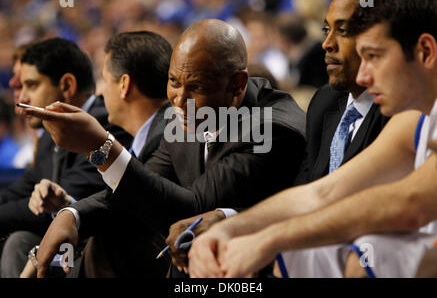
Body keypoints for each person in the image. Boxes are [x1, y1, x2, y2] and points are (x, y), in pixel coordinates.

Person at [188, 0, 437, 278]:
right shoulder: (412, 117)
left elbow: (410, 205)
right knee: (297, 255)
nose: (365, 74)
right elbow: (323, 193)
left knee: (369, 255)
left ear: (425, 51)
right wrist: (230, 228)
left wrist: (269, 238)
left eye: (374, 56)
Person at [23, 19, 306, 278]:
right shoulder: (185, 116)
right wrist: (74, 215)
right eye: (173, 81)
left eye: (196, 86)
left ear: (237, 84)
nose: (180, 100)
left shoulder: (270, 129)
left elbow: (193, 210)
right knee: (104, 239)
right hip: (192, 262)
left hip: (259, 268)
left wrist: (100, 148)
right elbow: (143, 188)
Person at [19, 31, 173, 278]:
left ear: (124, 85)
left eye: (104, 80)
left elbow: (139, 201)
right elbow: (124, 198)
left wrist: (94, 148)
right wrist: (70, 208)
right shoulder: (157, 132)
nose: (100, 92)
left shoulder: (169, 134)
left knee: (103, 241)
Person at [0, 38, 132, 278]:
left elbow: (49, 207)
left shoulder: (105, 127)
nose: (24, 97)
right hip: (66, 250)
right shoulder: (52, 129)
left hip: (100, 251)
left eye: (32, 85)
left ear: (67, 85)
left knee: (19, 242)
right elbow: (21, 190)